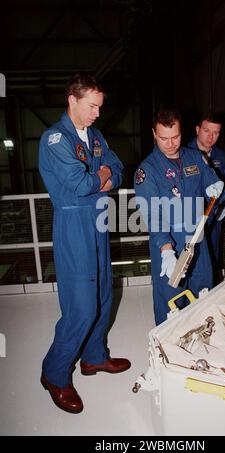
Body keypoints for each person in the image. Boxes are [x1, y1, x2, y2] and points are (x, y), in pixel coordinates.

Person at [39, 73, 130, 414]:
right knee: (81, 307)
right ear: (72, 100)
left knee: (104, 294)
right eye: (92, 106)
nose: (97, 114)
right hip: (73, 224)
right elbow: (79, 186)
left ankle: (93, 357)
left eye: (99, 107)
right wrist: (102, 176)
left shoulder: (95, 136)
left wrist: (105, 176)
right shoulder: (54, 140)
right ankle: (54, 372)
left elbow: (117, 167)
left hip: (98, 221)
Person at [134, 108, 225, 325]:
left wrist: (218, 188)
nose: (170, 143)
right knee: (170, 300)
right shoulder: (147, 170)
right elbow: (151, 214)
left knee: (203, 292)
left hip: (198, 238)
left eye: (175, 137)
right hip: (170, 240)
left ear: (181, 133)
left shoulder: (195, 157)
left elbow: (212, 186)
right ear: (154, 134)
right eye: (164, 138)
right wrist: (166, 249)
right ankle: (167, 350)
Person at [188, 112, 225, 282]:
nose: (211, 137)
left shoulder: (221, 156)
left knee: (214, 253)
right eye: (207, 131)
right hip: (191, 218)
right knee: (193, 257)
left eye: (216, 133)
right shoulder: (185, 154)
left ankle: (213, 289)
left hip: (214, 217)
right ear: (197, 129)